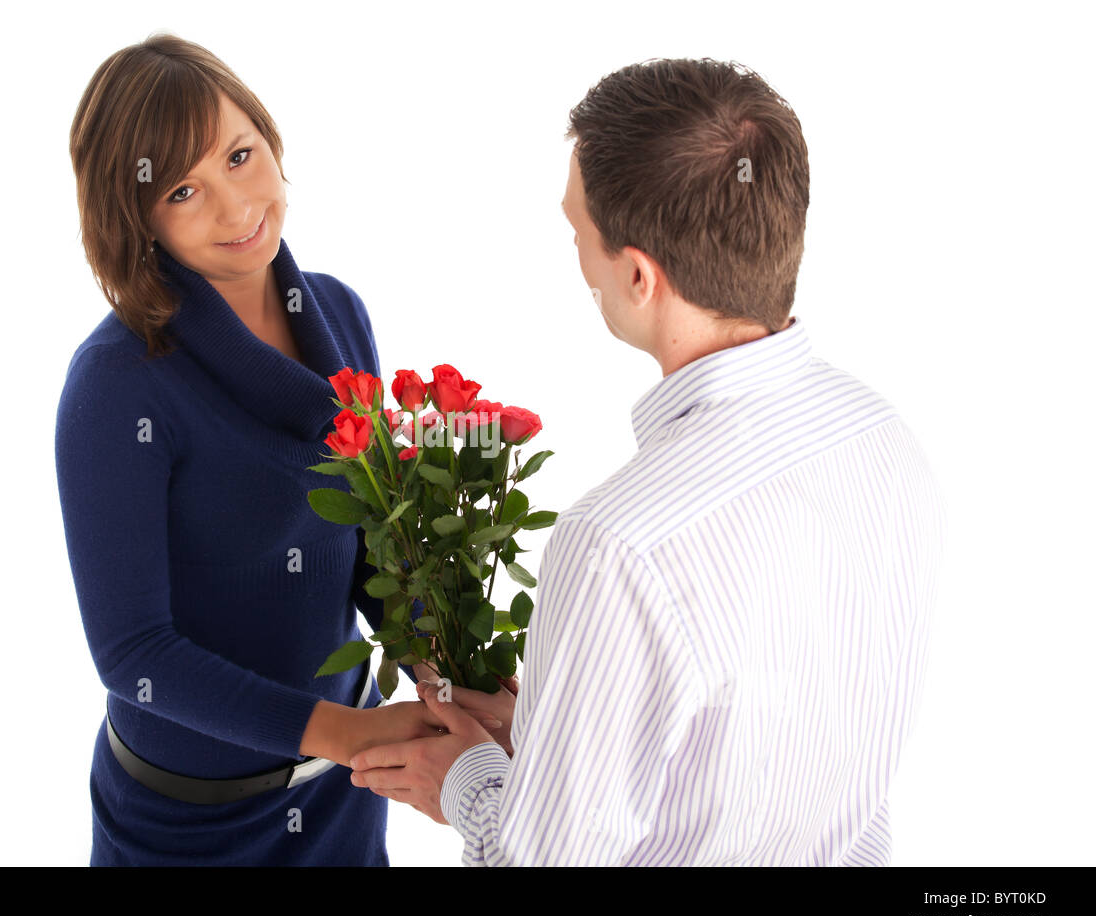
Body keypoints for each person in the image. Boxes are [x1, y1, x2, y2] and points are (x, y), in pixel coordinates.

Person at [349, 57, 949, 866]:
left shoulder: (619, 544)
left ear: (637, 276)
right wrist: (560, 735)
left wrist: (468, 780)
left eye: (577, 233)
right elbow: (779, 747)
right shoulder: (882, 438)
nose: (576, 256)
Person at [54, 33, 500, 866]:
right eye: (183, 190)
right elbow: (133, 654)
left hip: (343, 794)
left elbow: (374, 543)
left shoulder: (338, 312)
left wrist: (445, 675)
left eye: (240, 155)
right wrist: (347, 732)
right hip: (186, 824)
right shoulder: (117, 382)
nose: (235, 207)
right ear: (135, 216)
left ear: (270, 137)